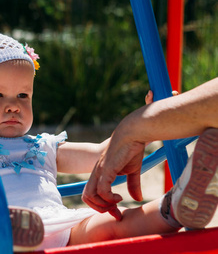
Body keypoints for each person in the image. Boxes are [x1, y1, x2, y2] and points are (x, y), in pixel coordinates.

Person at [0, 33, 215, 253]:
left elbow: (105, 154)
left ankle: (174, 208)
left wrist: (154, 118)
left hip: (57, 231)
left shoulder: (43, 146)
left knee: (111, 223)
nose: (13, 105)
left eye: (23, 95)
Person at [83, 77, 218, 223]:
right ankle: (175, 203)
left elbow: (99, 154)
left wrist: (149, 126)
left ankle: (174, 204)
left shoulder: (55, 148)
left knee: (112, 222)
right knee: (109, 222)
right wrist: (151, 121)